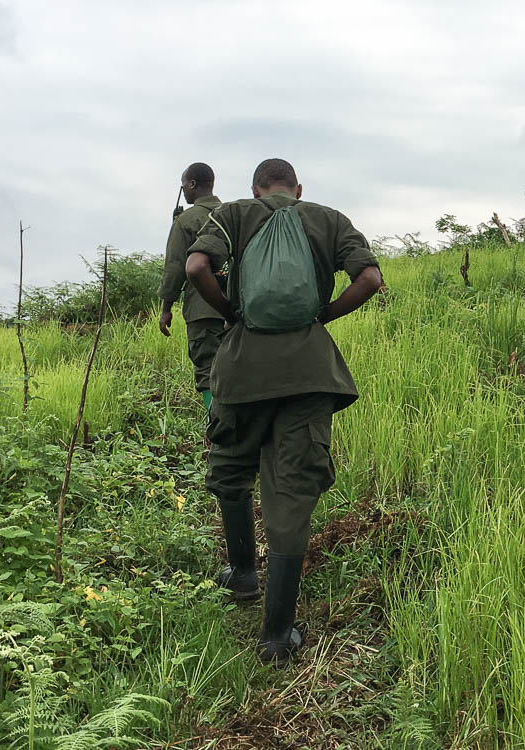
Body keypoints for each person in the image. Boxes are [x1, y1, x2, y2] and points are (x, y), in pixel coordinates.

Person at [184, 158, 383, 665]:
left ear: (255, 188)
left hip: (242, 369)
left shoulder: (233, 214)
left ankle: (244, 574)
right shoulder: (328, 219)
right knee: (292, 490)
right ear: (298, 189)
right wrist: (325, 314)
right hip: (310, 373)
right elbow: (369, 278)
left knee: (231, 468)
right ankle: (277, 635)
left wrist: (231, 313)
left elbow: (196, 267)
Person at [156, 162, 225, 413]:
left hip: (203, 309)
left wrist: (166, 308)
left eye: (184, 185)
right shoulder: (234, 214)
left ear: (192, 184)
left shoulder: (186, 220)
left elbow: (175, 266)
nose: (183, 190)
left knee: (208, 371)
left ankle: (216, 429)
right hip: (239, 309)